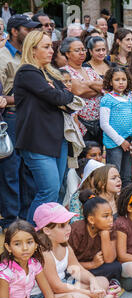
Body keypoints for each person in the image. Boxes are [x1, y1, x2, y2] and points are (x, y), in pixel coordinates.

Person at [14, 30, 75, 224]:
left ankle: (48, 235)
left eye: (51, 46)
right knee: (47, 190)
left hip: (58, 139)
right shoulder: (26, 72)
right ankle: (29, 234)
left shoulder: (50, 72)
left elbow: (68, 97)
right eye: (46, 47)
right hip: (37, 141)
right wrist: (60, 94)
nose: (51, 51)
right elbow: (58, 97)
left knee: (56, 191)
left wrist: (60, 94)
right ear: (32, 50)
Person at [0, 14, 40, 229]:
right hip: (12, 117)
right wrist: (28, 96)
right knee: (11, 170)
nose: (30, 32)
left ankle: (26, 218)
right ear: (14, 32)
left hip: (30, 117)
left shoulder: (29, 55)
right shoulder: (2, 56)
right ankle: (11, 220)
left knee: (28, 169)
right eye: (27, 29)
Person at [33, 202, 115, 298]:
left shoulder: (64, 244)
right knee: (77, 296)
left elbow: (77, 269)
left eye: (69, 223)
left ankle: (97, 296)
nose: (68, 228)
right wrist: (87, 293)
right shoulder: (44, 252)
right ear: (47, 230)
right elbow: (56, 287)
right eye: (62, 226)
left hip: (63, 285)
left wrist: (92, 281)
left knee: (102, 281)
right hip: (44, 294)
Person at [68, 190, 123, 284]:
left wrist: (105, 235)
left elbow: (110, 260)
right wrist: (91, 264)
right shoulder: (77, 230)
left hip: (96, 269)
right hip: (77, 269)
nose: (111, 219)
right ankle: (105, 283)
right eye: (105, 216)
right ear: (91, 219)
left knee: (116, 267)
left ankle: (101, 283)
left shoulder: (109, 228)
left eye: (111, 215)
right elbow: (67, 264)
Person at [60, 37, 104, 146]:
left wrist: (86, 84)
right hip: (80, 122)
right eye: (77, 50)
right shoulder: (64, 71)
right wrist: (95, 87)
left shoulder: (89, 70)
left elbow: (104, 87)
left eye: (83, 50)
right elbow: (78, 91)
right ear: (67, 54)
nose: (82, 53)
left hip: (99, 121)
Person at [100, 67, 132, 187]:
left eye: (124, 79)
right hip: (114, 142)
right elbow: (104, 124)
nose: (121, 82)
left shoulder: (129, 98)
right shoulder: (107, 99)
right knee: (114, 174)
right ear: (110, 82)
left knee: (127, 174)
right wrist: (120, 141)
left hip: (129, 139)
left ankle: (125, 199)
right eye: (117, 80)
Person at [0, 220, 55, 298]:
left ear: (36, 245)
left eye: (29, 242)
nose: (25, 248)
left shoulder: (34, 264)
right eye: (17, 244)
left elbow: (49, 294)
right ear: (8, 247)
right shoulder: (5, 272)